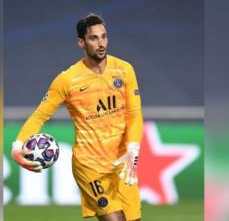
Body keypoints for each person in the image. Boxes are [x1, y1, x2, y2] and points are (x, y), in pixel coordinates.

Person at [11, 13, 143, 221]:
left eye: (103, 36)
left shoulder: (124, 70)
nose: (101, 43)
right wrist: (17, 146)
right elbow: (39, 116)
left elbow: (134, 115)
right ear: (81, 42)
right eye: (93, 38)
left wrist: (133, 148)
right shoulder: (67, 80)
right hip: (90, 166)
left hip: (121, 163)